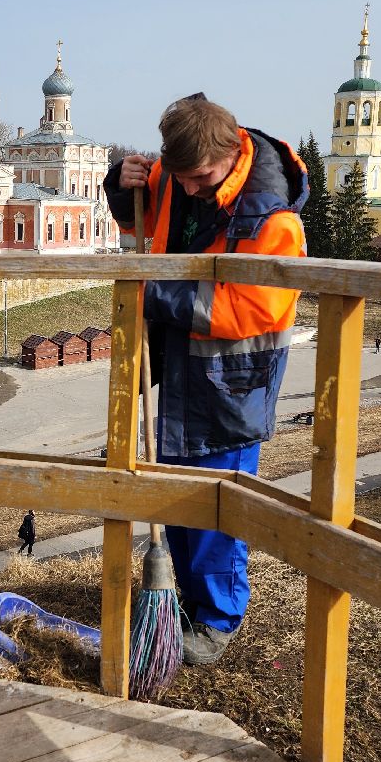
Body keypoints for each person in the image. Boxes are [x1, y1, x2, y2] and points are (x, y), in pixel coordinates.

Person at [105, 95, 307, 665]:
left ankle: (217, 620)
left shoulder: (272, 215)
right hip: (177, 370)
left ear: (231, 152)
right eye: (180, 177)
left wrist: (153, 291)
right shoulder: (179, 175)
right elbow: (140, 222)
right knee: (173, 497)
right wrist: (122, 184)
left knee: (217, 513)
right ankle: (177, 606)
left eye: (200, 179)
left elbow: (253, 308)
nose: (189, 189)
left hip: (231, 383)